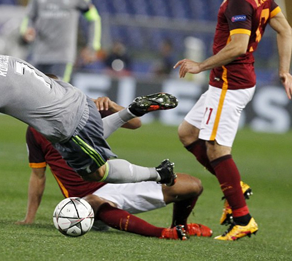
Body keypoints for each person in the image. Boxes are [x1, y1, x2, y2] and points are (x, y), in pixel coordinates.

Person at [0, 31, 179, 189]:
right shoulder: (0, 61)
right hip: (78, 100)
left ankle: (160, 173)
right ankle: (129, 111)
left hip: (70, 126)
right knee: (91, 149)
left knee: (96, 173)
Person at [174, 0, 292, 241]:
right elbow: (285, 29)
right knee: (188, 134)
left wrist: (200, 65)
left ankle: (243, 219)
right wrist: (284, 71)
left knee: (216, 148)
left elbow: (238, 46)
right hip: (231, 82)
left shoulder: (239, 0)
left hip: (229, 84)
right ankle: (235, 184)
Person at [19, 96, 212, 240]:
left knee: (193, 185)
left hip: (115, 176)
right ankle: (162, 233)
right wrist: (29, 217)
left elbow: (136, 123)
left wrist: (111, 106)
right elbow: (38, 176)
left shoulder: (84, 109)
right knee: (94, 201)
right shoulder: (35, 130)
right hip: (83, 200)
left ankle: (180, 226)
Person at [19, 0, 101, 82]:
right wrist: (27, 30)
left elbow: (94, 19)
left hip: (63, 57)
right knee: (34, 96)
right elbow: (29, 17)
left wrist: (92, 46)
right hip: (39, 54)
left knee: (57, 96)